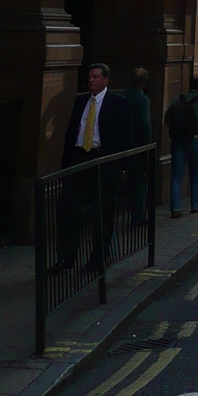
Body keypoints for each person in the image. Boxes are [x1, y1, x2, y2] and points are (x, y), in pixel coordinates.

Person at [57, 63, 134, 270]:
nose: (92, 80)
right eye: (90, 76)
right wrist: (66, 164)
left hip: (103, 160)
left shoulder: (118, 103)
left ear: (106, 79)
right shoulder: (80, 101)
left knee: (102, 212)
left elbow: (126, 137)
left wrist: (123, 166)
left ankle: (98, 257)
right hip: (79, 158)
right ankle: (66, 257)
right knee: (68, 208)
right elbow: (71, 132)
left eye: (96, 77)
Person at [165, 76, 198, 218]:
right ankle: (195, 205)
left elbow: (167, 118)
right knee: (195, 173)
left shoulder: (178, 100)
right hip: (195, 140)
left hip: (177, 140)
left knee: (176, 175)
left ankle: (175, 208)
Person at [124, 69, 152, 227]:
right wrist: (148, 146)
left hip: (120, 144)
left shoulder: (121, 95)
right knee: (139, 182)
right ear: (145, 82)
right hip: (137, 146)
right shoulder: (142, 99)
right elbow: (145, 123)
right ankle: (137, 216)